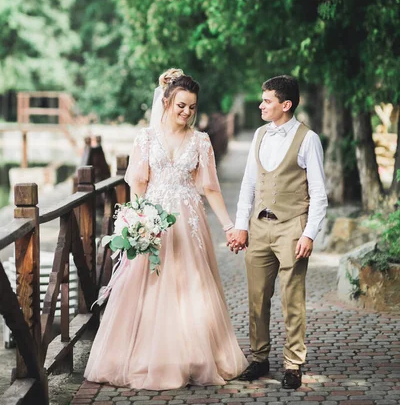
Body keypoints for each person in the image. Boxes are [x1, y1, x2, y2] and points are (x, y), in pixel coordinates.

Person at [84, 68, 248, 390]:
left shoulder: (201, 141)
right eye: (181, 106)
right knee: (147, 291)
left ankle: (193, 357)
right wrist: (137, 221)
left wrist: (229, 225)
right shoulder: (146, 138)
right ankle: (146, 358)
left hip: (188, 223)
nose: (186, 112)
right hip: (153, 221)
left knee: (190, 288)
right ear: (167, 101)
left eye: (192, 107)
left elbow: (211, 189)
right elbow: (138, 185)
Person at [229, 75, 328, 389]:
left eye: (267, 100)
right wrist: (242, 226)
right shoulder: (259, 135)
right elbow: (248, 185)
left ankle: (293, 364)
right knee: (257, 298)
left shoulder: (308, 139)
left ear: (285, 105)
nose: (261, 105)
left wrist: (309, 233)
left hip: (292, 230)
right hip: (259, 228)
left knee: (292, 299)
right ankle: (259, 359)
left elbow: (319, 193)